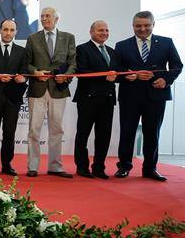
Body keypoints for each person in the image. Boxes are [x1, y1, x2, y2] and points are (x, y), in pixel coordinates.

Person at [113, 11, 182, 181]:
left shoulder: (166, 43)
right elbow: (114, 70)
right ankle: (124, 167)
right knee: (127, 132)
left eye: (146, 25)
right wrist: (129, 75)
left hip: (156, 95)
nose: (142, 29)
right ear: (133, 26)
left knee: (152, 133)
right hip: (130, 96)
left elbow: (177, 66)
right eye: (138, 26)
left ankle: (150, 168)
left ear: (153, 24)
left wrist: (166, 80)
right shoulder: (122, 45)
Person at [23, 6, 76, 178]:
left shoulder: (68, 38)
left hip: (59, 90)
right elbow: (26, 63)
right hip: (37, 88)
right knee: (34, 129)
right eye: (42, 16)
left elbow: (73, 63)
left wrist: (66, 77)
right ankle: (32, 166)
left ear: (56, 19)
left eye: (48, 16)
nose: (44, 18)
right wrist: (35, 72)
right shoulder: (32, 38)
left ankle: (55, 166)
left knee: (56, 129)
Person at [72, 21, 117, 179]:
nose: (104, 33)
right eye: (100, 30)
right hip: (88, 99)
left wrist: (127, 76)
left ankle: (99, 167)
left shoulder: (111, 51)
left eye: (106, 30)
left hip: (107, 100)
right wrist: (105, 77)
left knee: (104, 136)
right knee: (83, 134)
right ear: (91, 32)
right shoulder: (82, 49)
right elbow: (82, 72)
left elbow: (116, 74)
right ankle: (82, 167)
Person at [0, 19, 27, 175]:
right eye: (5, 29)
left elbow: (25, 72)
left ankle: (7, 164)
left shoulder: (22, 51)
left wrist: (23, 78)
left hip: (13, 99)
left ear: (16, 32)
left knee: (9, 133)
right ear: (0, 31)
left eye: (11, 30)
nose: (8, 33)